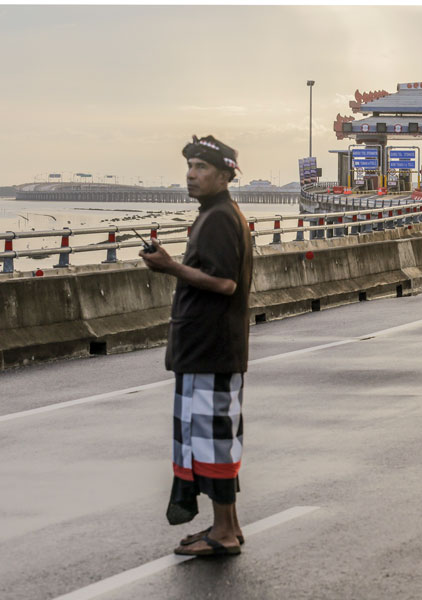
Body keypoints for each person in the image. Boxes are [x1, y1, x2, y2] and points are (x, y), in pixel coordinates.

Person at [140, 135, 253, 557]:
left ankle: (223, 533)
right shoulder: (216, 214)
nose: (191, 174)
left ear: (225, 176)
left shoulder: (221, 217)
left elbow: (225, 283)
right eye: (189, 166)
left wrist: (170, 266)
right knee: (210, 438)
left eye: (202, 167)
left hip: (211, 347)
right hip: (206, 346)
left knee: (211, 440)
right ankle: (229, 525)